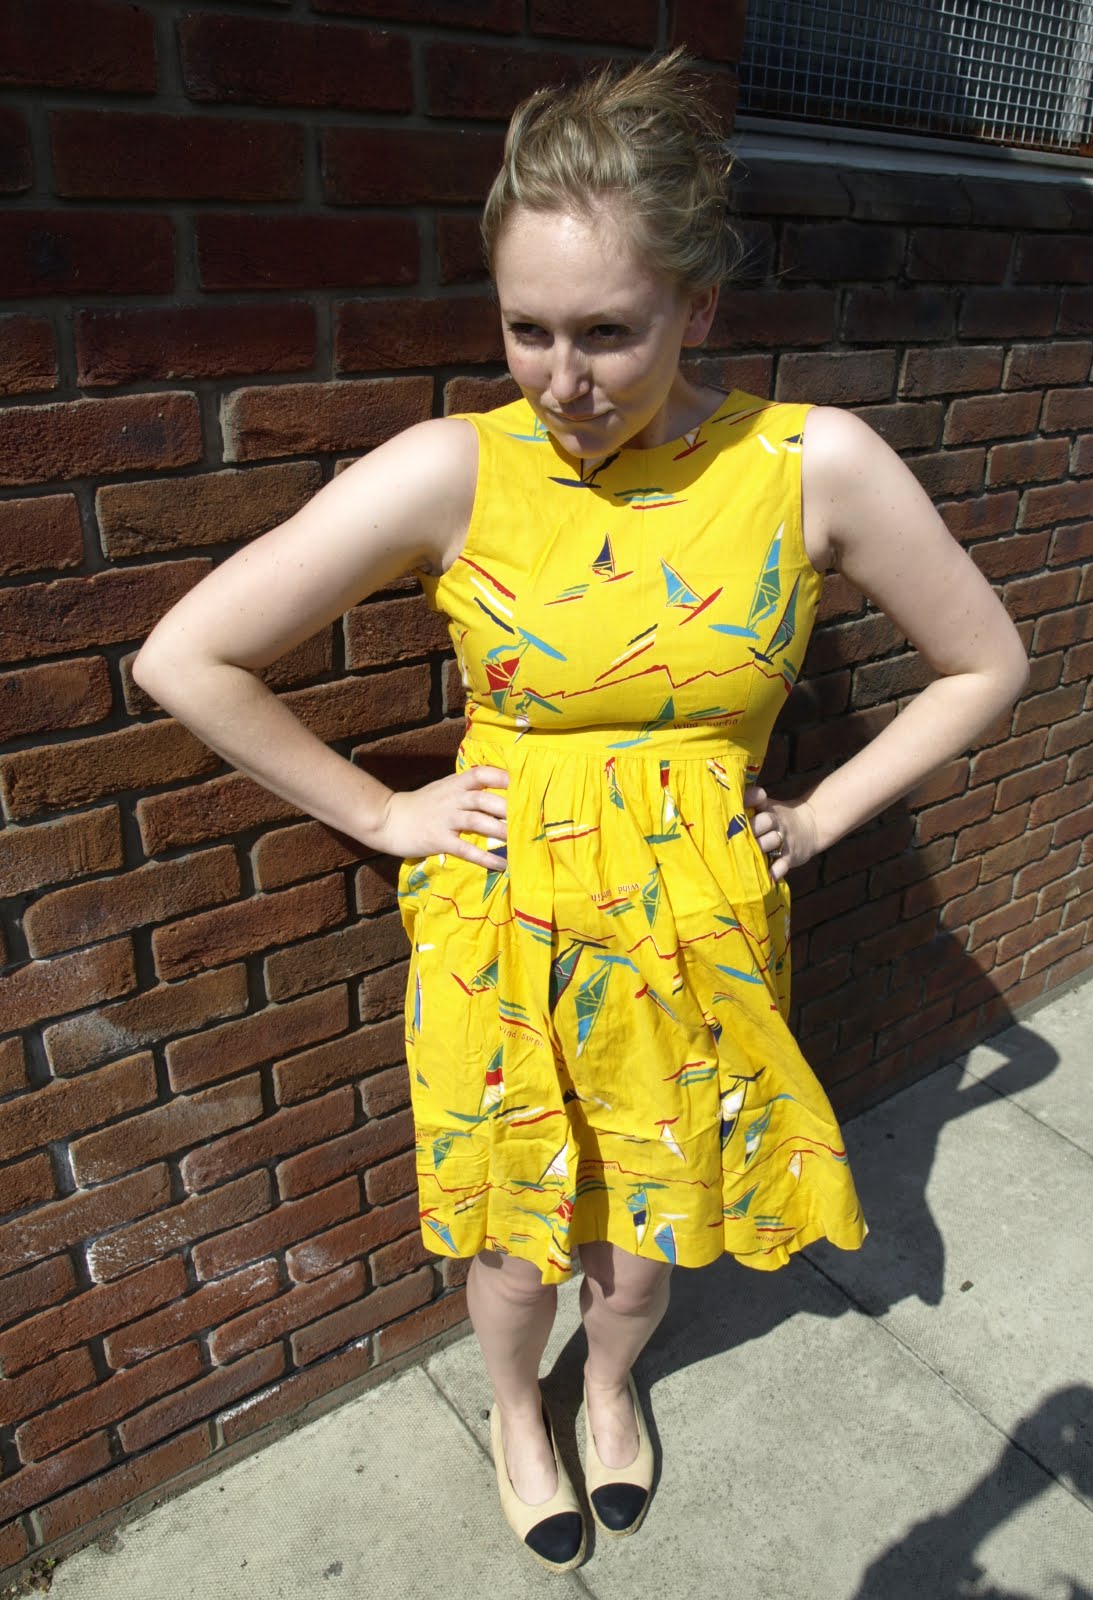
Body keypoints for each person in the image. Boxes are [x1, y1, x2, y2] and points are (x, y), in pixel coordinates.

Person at [133, 47, 1028, 1575]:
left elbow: (985, 663)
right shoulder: (455, 470)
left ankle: (609, 1389)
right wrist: (381, 813)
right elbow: (186, 657)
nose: (563, 377)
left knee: (643, 1240)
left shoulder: (810, 466)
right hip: (505, 929)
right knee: (514, 1239)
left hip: (697, 934)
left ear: (699, 310)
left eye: (609, 331)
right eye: (527, 329)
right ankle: (514, 1410)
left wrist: (820, 819)